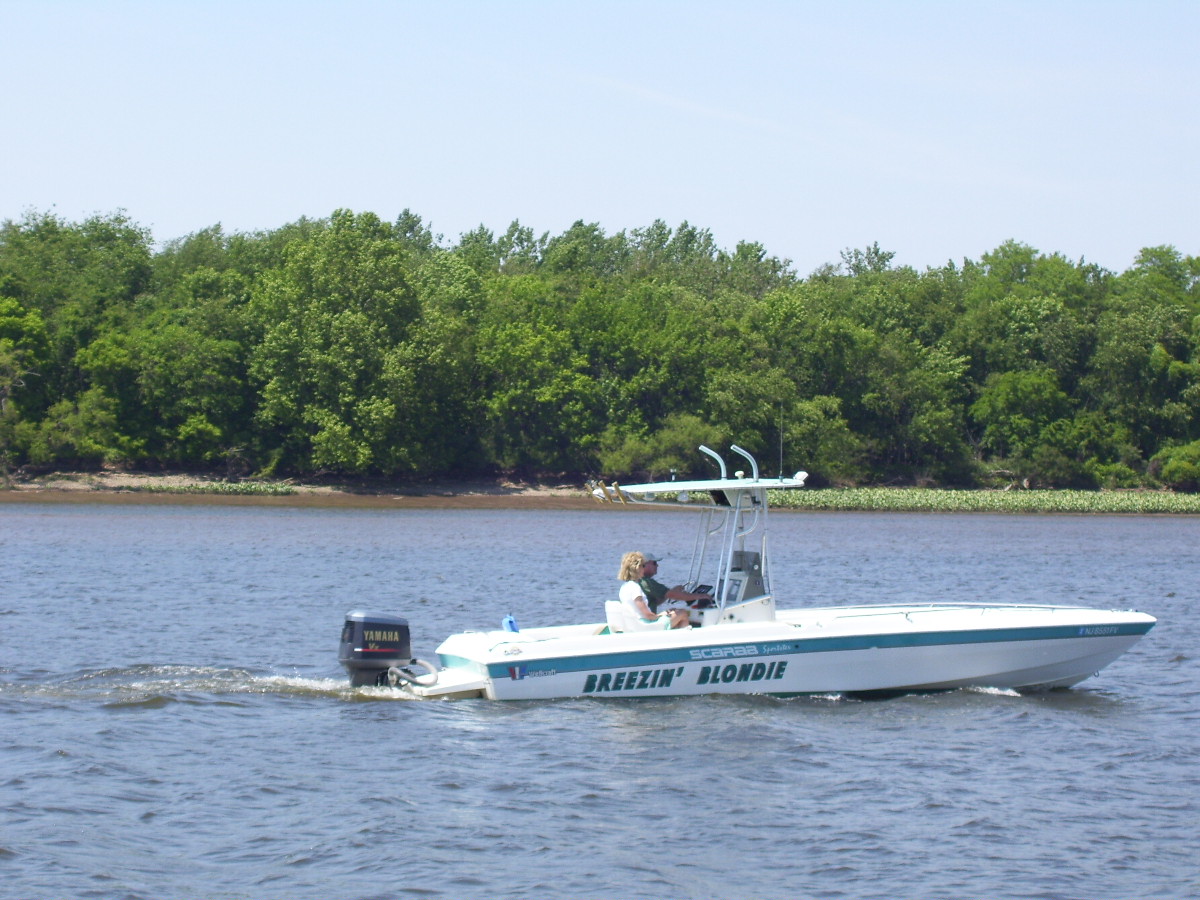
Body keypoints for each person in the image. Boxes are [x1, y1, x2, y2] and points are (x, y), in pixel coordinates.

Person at [617, 551, 690, 629]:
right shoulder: (635, 588)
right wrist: (662, 615)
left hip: (638, 623)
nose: (644, 568)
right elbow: (647, 615)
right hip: (646, 626)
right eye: (643, 566)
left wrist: (664, 613)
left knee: (674, 612)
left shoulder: (624, 587)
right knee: (682, 613)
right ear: (637, 568)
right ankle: (684, 635)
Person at [638, 553, 714, 613]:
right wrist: (701, 596)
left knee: (673, 611)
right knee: (682, 613)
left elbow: (655, 602)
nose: (657, 565)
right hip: (648, 620)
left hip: (641, 619)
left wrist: (671, 592)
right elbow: (673, 595)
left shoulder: (639, 580)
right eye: (654, 563)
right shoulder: (647, 582)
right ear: (645, 565)